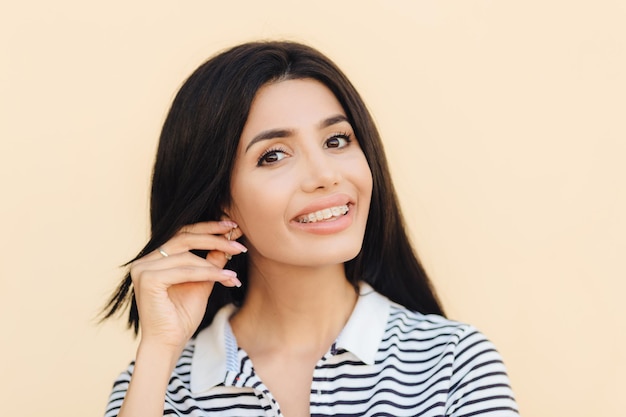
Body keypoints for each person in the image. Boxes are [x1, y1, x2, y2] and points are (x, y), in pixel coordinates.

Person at [102, 40, 519, 417]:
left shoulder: (452, 365)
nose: (325, 174)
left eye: (336, 141)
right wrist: (159, 350)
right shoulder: (156, 389)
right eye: (274, 155)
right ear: (220, 199)